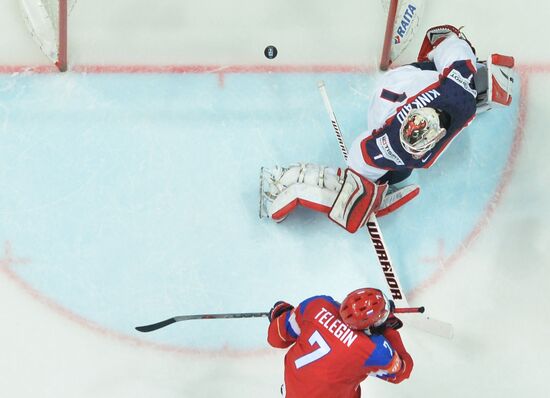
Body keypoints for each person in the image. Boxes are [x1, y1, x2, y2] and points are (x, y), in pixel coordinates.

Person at [260, 25, 515, 233]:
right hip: (385, 109)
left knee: (394, 163)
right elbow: (360, 155)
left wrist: (432, 57)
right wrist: (359, 193)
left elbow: (444, 36)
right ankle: (370, 183)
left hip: (399, 86)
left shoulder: (462, 77)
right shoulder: (402, 143)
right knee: (395, 173)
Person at [267, 288, 414, 397]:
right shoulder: (374, 351)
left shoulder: (317, 304)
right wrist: (388, 331)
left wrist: (281, 313)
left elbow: (276, 338)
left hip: (292, 390)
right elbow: (402, 371)